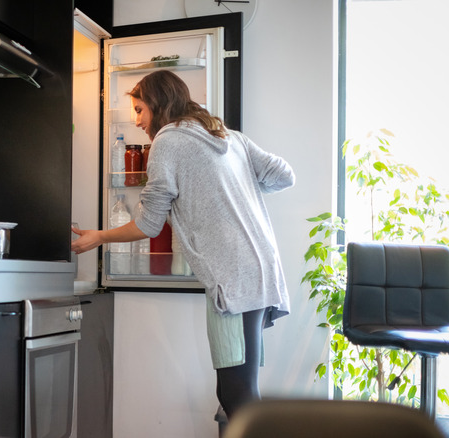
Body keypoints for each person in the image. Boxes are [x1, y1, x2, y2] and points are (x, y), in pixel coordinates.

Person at [71, 70, 295, 421]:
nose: (137, 120)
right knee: (234, 392)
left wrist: (98, 236)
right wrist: (235, 188)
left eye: (140, 109)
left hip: (231, 277)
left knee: (238, 396)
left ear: (159, 105)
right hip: (260, 269)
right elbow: (284, 175)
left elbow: (148, 222)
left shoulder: (168, 141)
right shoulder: (230, 137)